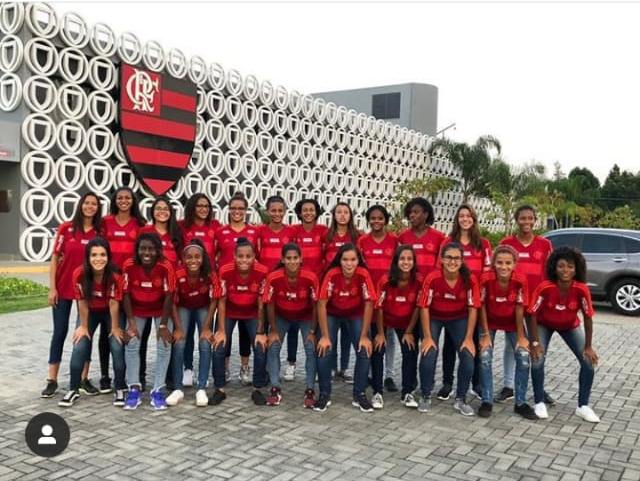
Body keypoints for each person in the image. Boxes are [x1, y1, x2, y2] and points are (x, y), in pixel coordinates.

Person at [528, 246, 600, 423]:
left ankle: (583, 406)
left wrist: (588, 346)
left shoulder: (581, 289)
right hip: (544, 324)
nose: (565, 270)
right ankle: (539, 402)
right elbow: (532, 314)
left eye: (570, 266)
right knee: (537, 360)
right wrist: (535, 342)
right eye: (561, 266)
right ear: (554, 267)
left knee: (588, 362)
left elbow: (588, 318)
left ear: (576, 269)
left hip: (569, 325)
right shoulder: (545, 287)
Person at [42, 192, 103, 399]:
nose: (90, 206)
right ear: (80, 205)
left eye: (94, 204)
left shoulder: (99, 232)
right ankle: (52, 380)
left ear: (98, 208)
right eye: (87, 203)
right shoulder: (66, 228)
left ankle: (83, 378)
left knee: (85, 333)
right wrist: (52, 288)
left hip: (86, 291)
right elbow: (54, 258)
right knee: (59, 332)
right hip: (63, 287)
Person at [58, 238, 126, 408]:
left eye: (103, 254)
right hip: (90, 311)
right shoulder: (79, 274)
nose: (98, 259)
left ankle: (119, 387)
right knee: (80, 344)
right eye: (94, 255)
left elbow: (114, 303)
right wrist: (83, 326)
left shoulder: (115, 276)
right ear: (87, 257)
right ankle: (73, 389)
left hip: (110, 312)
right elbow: (81, 301)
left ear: (108, 257)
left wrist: (115, 327)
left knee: (116, 345)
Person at [417, 242, 480, 416]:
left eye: (457, 258)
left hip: (459, 318)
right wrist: (427, 336)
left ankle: (461, 399)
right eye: (449, 258)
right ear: (442, 259)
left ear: (462, 260)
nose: (452, 262)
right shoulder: (432, 278)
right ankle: (425, 394)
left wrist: (469, 338)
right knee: (429, 353)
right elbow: (424, 307)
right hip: (434, 318)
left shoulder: (469, 279)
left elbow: (473, 308)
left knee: (468, 356)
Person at [500, 205, 553, 404]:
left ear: (535, 220)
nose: (527, 222)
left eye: (530, 218)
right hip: (513, 305)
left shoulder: (545, 245)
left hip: (536, 307)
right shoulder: (507, 243)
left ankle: (539, 388)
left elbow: (550, 275)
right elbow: (499, 273)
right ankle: (508, 386)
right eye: (523, 218)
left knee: (537, 345)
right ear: (517, 220)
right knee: (511, 345)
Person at [439, 204, 493, 401]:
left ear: (474, 219)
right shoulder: (448, 242)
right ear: (457, 219)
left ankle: (476, 384)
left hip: (475, 301)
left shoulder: (483, 244)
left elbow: (488, 271)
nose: (465, 219)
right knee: (449, 344)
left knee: (474, 342)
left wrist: (479, 293)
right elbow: (440, 268)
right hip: (452, 299)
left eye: (468, 216)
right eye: (461, 216)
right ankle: (447, 383)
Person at [477, 245, 537, 419]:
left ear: (514, 264)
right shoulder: (486, 278)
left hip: (512, 323)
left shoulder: (520, 280)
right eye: (500, 262)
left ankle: (520, 403)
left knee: (523, 358)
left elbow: (519, 308)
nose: (504, 267)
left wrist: (521, 336)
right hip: (489, 322)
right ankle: (486, 400)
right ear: (494, 263)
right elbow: (481, 306)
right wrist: (485, 334)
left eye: (508, 263)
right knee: (485, 357)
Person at [315, 243, 377, 413]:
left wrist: (364, 336)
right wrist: (325, 336)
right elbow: (321, 304)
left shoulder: (363, 274)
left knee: (364, 349)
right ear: (339, 260)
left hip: (355, 314)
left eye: (353, 260)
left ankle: (359, 394)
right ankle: (324, 394)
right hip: (332, 313)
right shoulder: (332, 274)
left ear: (358, 260)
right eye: (345, 260)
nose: (349, 264)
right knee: (324, 349)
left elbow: (369, 304)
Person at [211, 238, 269, 406]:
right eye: (240, 256)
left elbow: (261, 304)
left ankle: (257, 388)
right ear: (234, 257)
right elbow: (221, 302)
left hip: (252, 313)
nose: (244, 260)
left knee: (260, 346)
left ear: (254, 257)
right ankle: (219, 388)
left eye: (248, 256)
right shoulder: (225, 271)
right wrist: (221, 330)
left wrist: (260, 331)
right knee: (219, 345)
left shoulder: (262, 271)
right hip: (229, 311)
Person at [122, 233, 176, 410]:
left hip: (161, 309)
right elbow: (125, 294)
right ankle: (134, 388)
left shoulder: (165, 266)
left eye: (151, 249)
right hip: (137, 310)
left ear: (158, 250)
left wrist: (163, 325)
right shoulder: (129, 265)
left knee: (164, 344)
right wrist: (131, 323)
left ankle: (158, 389)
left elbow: (169, 296)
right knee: (131, 342)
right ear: (137, 250)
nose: (147, 253)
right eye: (143, 248)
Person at [101, 186, 146, 393]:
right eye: (120, 197)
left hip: (131, 284)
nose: (124, 201)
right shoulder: (106, 222)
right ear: (115, 200)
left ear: (133, 201)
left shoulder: (139, 224)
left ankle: (137, 375)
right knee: (109, 331)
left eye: (128, 198)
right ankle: (105, 376)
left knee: (135, 333)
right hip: (109, 282)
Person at [263, 243, 320, 408]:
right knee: (273, 346)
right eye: (288, 258)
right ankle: (275, 388)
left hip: (305, 316)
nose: (292, 261)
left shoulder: (310, 277)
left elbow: (316, 305)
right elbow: (269, 305)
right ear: (282, 259)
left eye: (295, 258)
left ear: (301, 259)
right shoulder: (273, 277)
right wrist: (273, 330)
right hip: (282, 316)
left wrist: (312, 331)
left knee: (310, 348)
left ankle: (310, 389)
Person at [166, 240, 221, 407]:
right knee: (179, 343)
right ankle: (177, 388)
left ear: (203, 258)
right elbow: (172, 302)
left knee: (205, 342)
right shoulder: (177, 273)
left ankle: (201, 387)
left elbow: (214, 300)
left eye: (197, 257)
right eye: (189, 257)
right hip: (183, 307)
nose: (193, 260)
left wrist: (206, 328)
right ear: (183, 259)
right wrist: (178, 328)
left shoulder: (210, 274)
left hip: (203, 307)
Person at [139, 196, 183, 391]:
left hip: (168, 295)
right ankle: (139, 377)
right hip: (145, 292)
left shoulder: (176, 234)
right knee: (142, 336)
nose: (162, 212)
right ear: (153, 211)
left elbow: (181, 261)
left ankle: (168, 378)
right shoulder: (145, 232)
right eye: (158, 208)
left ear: (170, 212)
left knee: (166, 336)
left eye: (165, 208)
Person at [372, 245, 422, 409]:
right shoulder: (385, 280)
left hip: (406, 323)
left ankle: (407, 392)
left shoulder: (419, 281)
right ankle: (377, 392)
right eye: (402, 259)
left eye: (409, 259)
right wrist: (381, 333)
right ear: (396, 261)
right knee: (378, 350)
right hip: (384, 320)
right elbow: (379, 308)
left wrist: (409, 331)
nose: (406, 262)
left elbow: (418, 307)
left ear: (414, 262)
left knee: (410, 351)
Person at [215, 192, 257, 385]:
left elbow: (258, 257)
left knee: (246, 333)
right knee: (225, 332)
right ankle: (225, 369)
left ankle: (244, 367)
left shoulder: (254, 232)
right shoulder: (221, 232)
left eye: (241, 208)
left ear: (246, 210)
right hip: (227, 290)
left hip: (248, 290)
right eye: (234, 208)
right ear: (229, 210)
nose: (237, 211)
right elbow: (214, 255)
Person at [179, 193, 220, 388]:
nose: (203, 209)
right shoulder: (182, 226)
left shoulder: (215, 226)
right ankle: (187, 368)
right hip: (187, 283)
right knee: (185, 334)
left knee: (205, 334)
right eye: (199, 206)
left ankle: (204, 376)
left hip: (206, 284)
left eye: (206, 206)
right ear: (192, 208)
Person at [357, 204, 399, 393]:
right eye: (373, 218)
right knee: (368, 333)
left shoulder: (394, 240)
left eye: (380, 218)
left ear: (386, 220)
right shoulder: (362, 241)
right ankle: (370, 373)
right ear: (368, 220)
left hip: (388, 295)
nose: (376, 221)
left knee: (388, 336)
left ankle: (388, 375)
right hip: (367, 295)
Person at [288, 198, 328, 382]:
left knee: (315, 327)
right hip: (296, 283)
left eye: (312, 209)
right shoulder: (293, 231)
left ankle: (317, 368)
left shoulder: (323, 231)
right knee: (292, 325)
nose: (308, 213)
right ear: (299, 212)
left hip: (317, 285)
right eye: (305, 210)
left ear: (317, 212)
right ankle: (291, 364)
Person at [323, 202, 361, 383]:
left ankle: (344, 368)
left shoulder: (356, 236)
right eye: (339, 212)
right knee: (332, 332)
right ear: (334, 215)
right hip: (332, 287)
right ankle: (331, 368)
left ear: (350, 215)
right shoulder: (327, 236)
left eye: (346, 212)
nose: (343, 215)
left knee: (347, 334)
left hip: (350, 287)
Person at [397, 197, 445, 278]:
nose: (412, 215)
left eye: (416, 212)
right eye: (410, 212)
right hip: (410, 282)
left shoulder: (439, 237)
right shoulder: (402, 237)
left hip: (431, 282)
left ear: (426, 214)